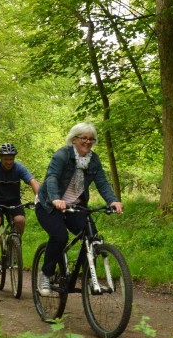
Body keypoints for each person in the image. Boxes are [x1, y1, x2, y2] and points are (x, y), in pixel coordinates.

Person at [35, 122, 123, 296]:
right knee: (60, 236)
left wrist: (113, 201)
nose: (88, 142)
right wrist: (55, 198)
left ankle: (88, 276)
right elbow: (52, 177)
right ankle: (46, 274)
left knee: (92, 236)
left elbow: (102, 183)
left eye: (91, 139)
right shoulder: (62, 155)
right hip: (48, 204)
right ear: (74, 139)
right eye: (84, 138)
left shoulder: (93, 160)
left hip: (75, 205)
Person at [0, 143, 41, 274]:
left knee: (20, 220)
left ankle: (14, 247)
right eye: (6, 159)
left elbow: (33, 181)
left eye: (11, 159)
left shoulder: (19, 168)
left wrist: (39, 198)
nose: (9, 162)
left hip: (13, 201)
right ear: (0, 158)